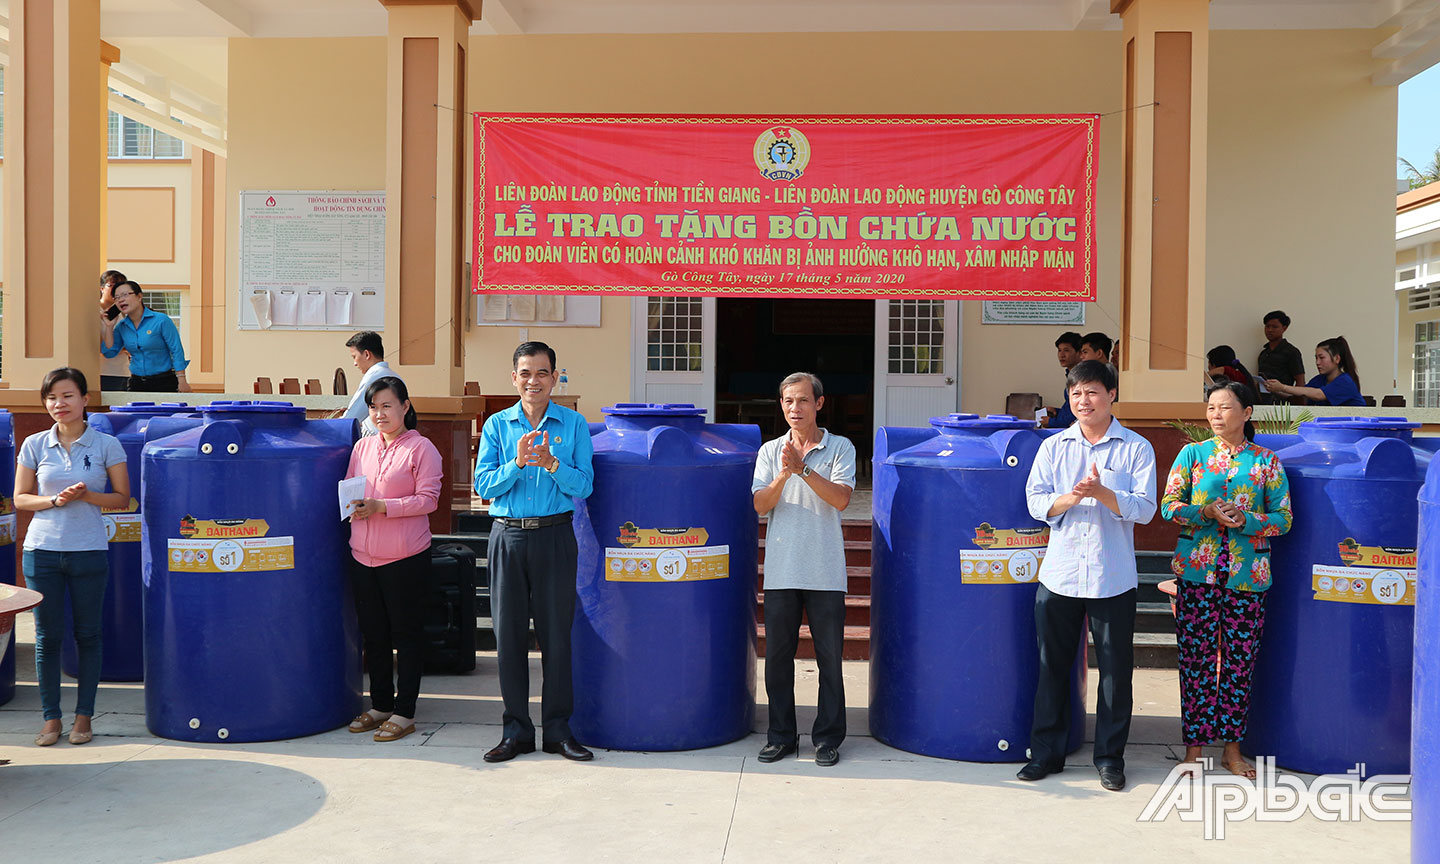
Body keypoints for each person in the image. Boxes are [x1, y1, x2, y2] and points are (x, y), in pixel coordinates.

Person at [1019, 360, 1156, 791]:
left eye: (1092, 392)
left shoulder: (1136, 448)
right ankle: (1046, 754)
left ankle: (1110, 759)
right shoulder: (1054, 446)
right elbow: (1036, 503)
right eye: (1076, 394)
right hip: (1059, 575)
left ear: (1112, 394)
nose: (1083, 401)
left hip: (1111, 577)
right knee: (1051, 667)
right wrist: (1070, 498)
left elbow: (1146, 508)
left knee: (1115, 673)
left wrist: (1103, 493)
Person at [1160, 381, 1292, 779]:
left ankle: (1232, 750)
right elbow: (1169, 506)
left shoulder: (1267, 462)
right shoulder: (1192, 455)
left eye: (1225, 407)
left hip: (1246, 577)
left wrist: (1247, 520)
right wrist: (1206, 512)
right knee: (1195, 661)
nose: (1216, 414)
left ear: (1247, 413)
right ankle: (1194, 750)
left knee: (1239, 663)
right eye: (1211, 407)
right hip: (1198, 574)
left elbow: (1284, 518)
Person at [474, 342, 595, 763]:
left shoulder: (574, 424)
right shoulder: (496, 426)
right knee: (508, 639)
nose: (533, 381)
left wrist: (552, 465)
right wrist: (519, 464)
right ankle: (516, 732)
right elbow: (484, 486)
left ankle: (558, 731)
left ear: (555, 377)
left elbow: (584, 486)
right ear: (514, 378)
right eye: (525, 373)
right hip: (508, 537)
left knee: (556, 638)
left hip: (556, 536)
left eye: (542, 373)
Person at [15, 368, 130, 746]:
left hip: (88, 551)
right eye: (51, 397)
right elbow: (20, 498)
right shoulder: (33, 444)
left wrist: (86, 496)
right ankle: (51, 719)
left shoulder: (106, 445)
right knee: (48, 637)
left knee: (88, 634)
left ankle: (84, 717)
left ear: (84, 400)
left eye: (67, 396)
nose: (58, 404)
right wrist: (53, 500)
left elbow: (122, 498)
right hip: (41, 552)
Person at [751, 372, 857, 768]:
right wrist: (785, 471)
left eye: (802, 401)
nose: (795, 408)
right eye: (788, 401)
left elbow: (842, 499)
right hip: (782, 569)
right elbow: (761, 505)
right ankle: (780, 736)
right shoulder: (770, 451)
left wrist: (805, 470)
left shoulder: (839, 448)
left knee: (830, 660)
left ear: (819, 404)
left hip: (826, 570)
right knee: (778, 660)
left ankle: (828, 739)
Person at [344, 376, 444, 743]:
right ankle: (381, 704)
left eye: (387, 406)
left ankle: (405, 711)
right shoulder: (362, 448)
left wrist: (382, 507)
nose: (380, 414)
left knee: (407, 635)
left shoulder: (422, 449)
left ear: (405, 406)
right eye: (374, 408)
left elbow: (429, 500)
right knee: (375, 634)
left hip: (405, 558)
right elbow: (351, 488)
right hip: (363, 556)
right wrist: (353, 507)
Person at [100, 281, 190, 392]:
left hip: (164, 381)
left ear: (139, 296)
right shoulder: (122, 327)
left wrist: (182, 380)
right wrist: (109, 327)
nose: (120, 300)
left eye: (125, 295)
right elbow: (109, 352)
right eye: (117, 298)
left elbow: (176, 350)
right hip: (136, 383)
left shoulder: (161, 320)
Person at [1265, 336, 1363, 407]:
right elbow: (1300, 392)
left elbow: (1318, 394)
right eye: (1316, 358)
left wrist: (1282, 387)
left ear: (1337, 359)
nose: (1317, 362)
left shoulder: (1345, 381)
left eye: (1321, 358)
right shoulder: (1319, 380)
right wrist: (1274, 388)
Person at [343, 331, 401, 436]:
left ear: (366, 354)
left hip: (379, 440)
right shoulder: (392, 375)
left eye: (354, 357)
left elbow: (352, 417)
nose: (355, 363)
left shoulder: (374, 376)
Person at [1255, 311, 1305, 404]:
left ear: (1284, 328)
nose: (1270, 330)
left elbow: (1300, 381)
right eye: (1267, 326)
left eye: (1274, 327)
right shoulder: (1263, 353)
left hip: (1283, 403)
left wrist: (1296, 402)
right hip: (1263, 401)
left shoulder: (1291, 352)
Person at [98, 270, 131, 391]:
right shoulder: (95, 311)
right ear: (101, 288)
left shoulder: (122, 313)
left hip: (123, 371)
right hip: (104, 372)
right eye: (111, 285)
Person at [1047, 332, 1082, 428]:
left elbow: (1077, 411)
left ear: (1079, 353)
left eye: (1066, 350)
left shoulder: (1082, 376)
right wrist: (1056, 412)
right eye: (1059, 350)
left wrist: (1051, 422)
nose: (1061, 355)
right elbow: (1069, 408)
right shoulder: (1070, 374)